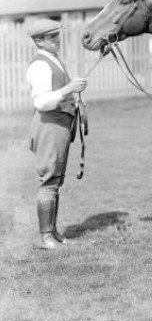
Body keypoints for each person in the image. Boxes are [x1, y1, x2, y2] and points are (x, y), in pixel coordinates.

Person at [26, 18, 88, 250]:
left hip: (60, 126)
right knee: (49, 181)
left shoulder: (53, 60)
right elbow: (42, 102)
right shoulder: (39, 65)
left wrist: (74, 90)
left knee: (56, 180)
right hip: (49, 126)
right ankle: (46, 238)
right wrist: (68, 89)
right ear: (39, 40)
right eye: (52, 37)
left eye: (57, 35)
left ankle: (53, 232)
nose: (57, 40)